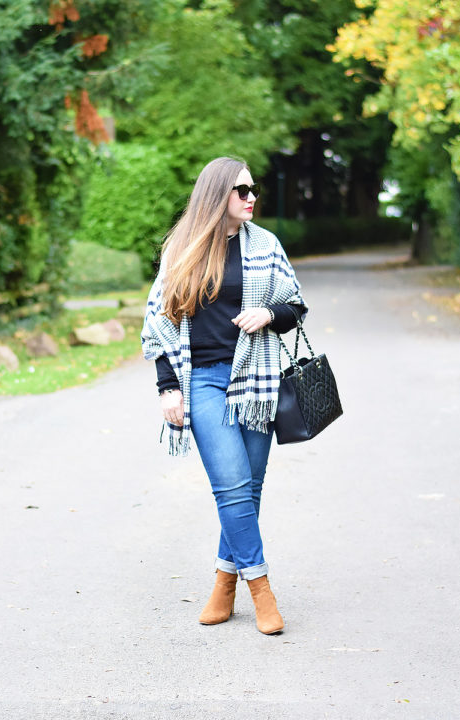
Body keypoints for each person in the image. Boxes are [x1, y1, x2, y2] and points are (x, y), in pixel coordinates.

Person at [141, 157, 307, 635]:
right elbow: (159, 322)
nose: (251, 197)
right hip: (203, 381)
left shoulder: (266, 244)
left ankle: (223, 583)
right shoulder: (183, 250)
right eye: (241, 190)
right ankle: (262, 590)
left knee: (248, 492)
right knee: (232, 487)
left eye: (253, 189)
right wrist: (167, 386)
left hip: (258, 380)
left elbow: (295, 303)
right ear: (217, 196)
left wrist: (268, 314)